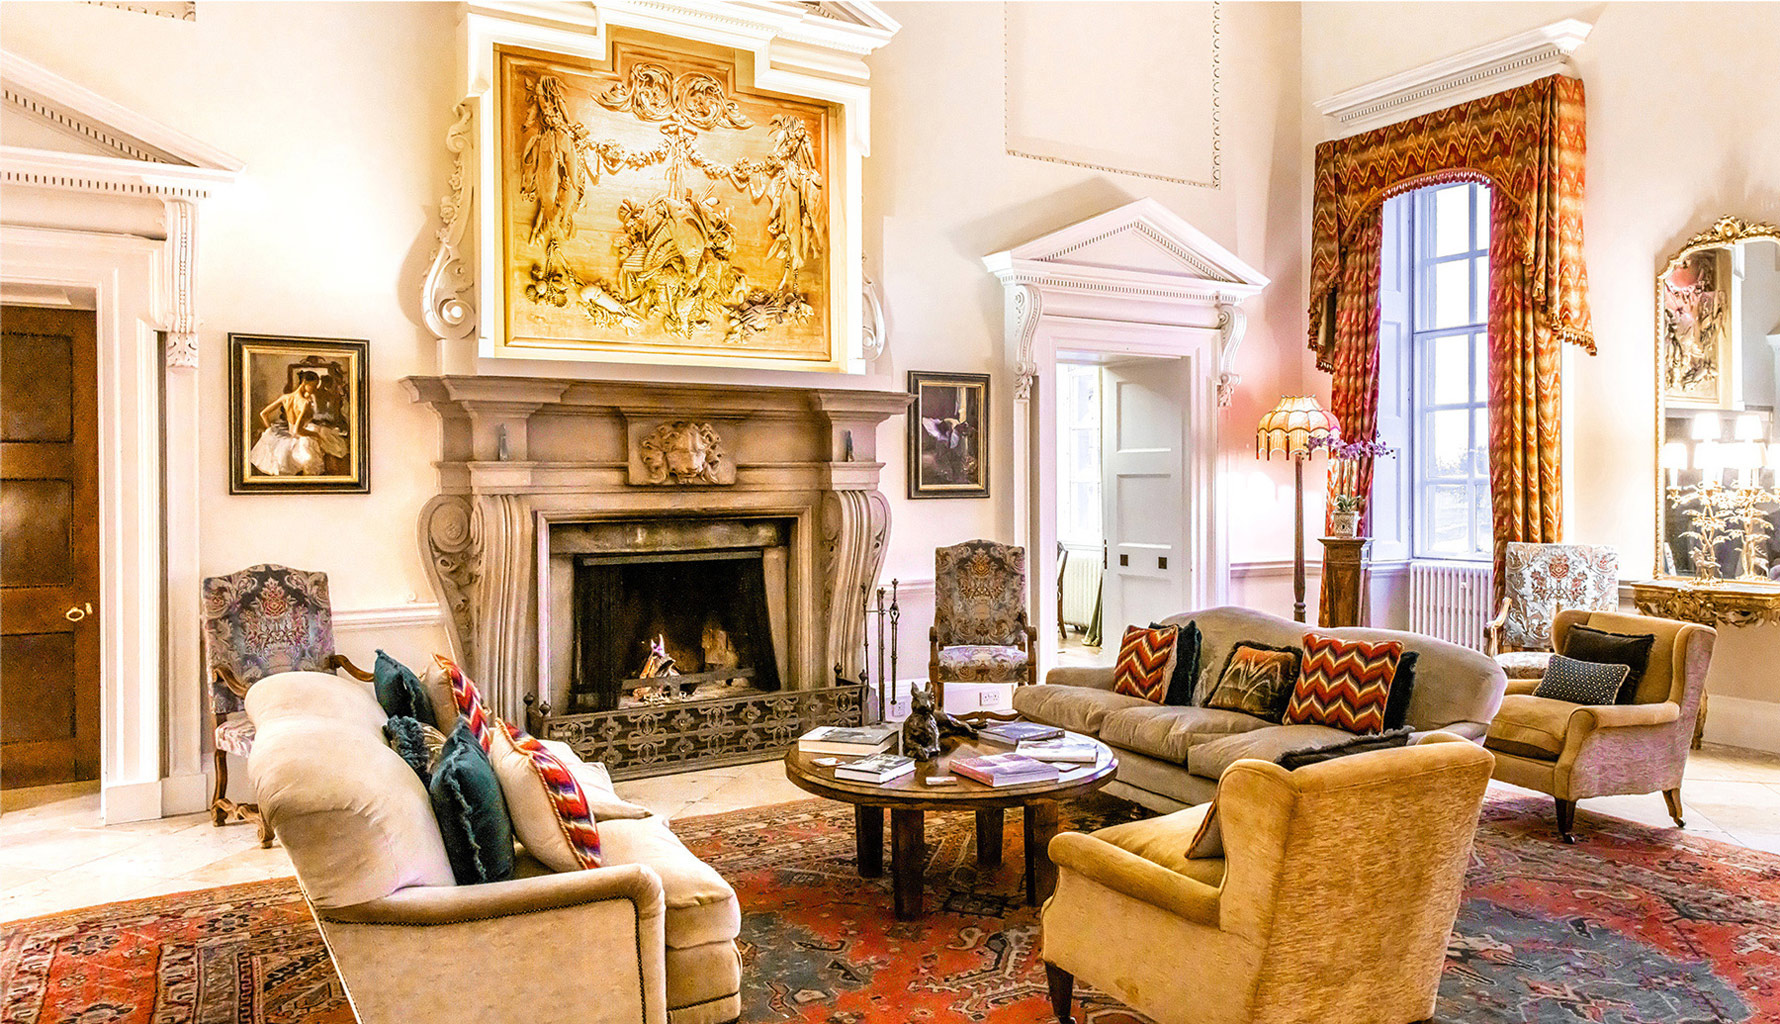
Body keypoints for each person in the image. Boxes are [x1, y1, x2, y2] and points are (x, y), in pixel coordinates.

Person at [249, 370, 347, 476]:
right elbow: (298, 430)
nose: (315, 389)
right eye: (313, 386)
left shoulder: (285, 397)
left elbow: (263, 414)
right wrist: (316, 435)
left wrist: (270, 429)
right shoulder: (305, 403)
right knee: (323, 438)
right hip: (297, 436)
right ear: (304, 383)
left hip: (287, 433)